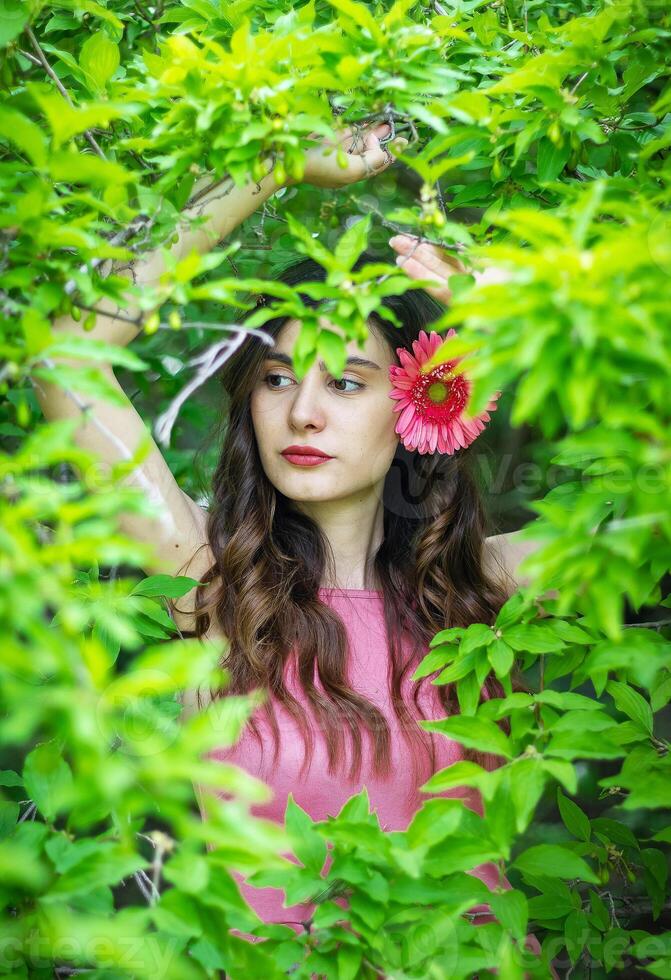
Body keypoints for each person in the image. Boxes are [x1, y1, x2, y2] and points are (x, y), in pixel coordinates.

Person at [31, 120, 551, 972]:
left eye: (345, 381)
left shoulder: (488, 593)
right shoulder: (209, 587)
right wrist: (270, 165)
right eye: (277, 377)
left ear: (420, 403)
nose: (302, 411)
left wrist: (544, 318)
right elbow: (65, 355)